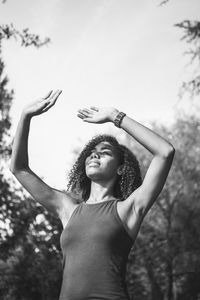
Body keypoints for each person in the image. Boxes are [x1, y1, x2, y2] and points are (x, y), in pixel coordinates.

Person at [9, 90, 175, 300]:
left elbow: (165, 152)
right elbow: (19, 169)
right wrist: (25, 115)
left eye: (105, 152)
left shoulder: (128, 209)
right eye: (91, 152)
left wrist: (116, 116)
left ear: (120, 169)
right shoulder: (68, 209)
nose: (94, 154)